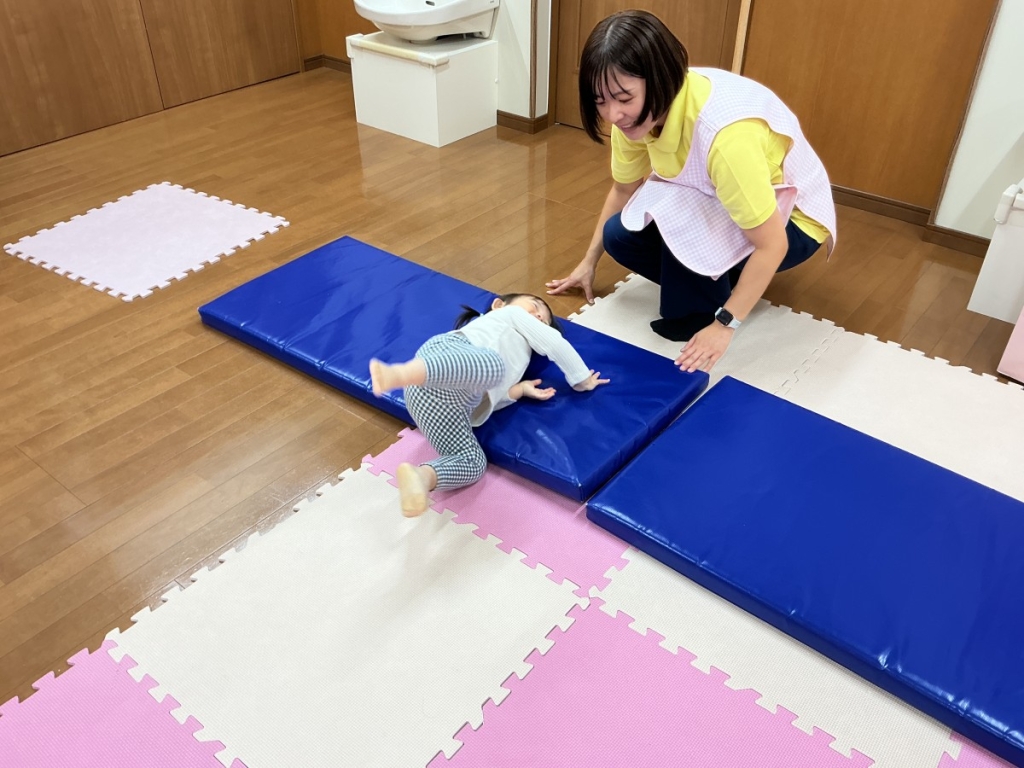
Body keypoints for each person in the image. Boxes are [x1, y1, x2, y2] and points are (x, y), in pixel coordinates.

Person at [546, 10, 837, 374]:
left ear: (661, 80)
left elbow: (772, 244)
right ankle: (715, 281)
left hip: (792, 221)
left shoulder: (726, 138)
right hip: (714, 198)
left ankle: (711, 295)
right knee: (619, 235)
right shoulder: (635, 116)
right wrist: (588, 263)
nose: (612, 115)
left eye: (623, 98)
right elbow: (624, 189)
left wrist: (723, 326)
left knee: (681, 311)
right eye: (600, 100)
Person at [369, 293, 609, 517]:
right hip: (445, 358)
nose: (538, 317)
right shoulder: (508, 316)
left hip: (443, 405)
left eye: (544, 320)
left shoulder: (516, 358)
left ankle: (421, 478)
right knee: (492, 366)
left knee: (473, 462)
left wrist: (519, 390)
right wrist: (580, 379)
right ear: (498, 305)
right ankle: (402, 373)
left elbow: (492, 396)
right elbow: (554, 344)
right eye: (535, 308)